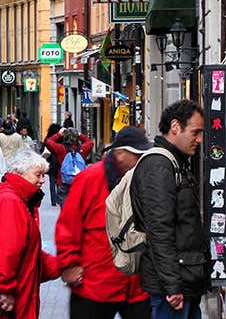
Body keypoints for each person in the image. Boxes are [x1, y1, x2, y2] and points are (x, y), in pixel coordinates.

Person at [55, 126, 153, 319]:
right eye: (137, 154)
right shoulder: (89, 179)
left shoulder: (146, 178)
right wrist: (68, 264)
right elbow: (68, 225)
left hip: (137, 284)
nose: (141, 159)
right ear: (120, 153)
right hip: (96, 282)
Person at [0, 149, 60, 319]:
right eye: (38, 174)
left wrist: (61, 265)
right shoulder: (10, 202)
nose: (42, 180)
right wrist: (5, 289)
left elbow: (27, 252)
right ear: (19, 173)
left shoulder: (18, 200)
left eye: (43, 175)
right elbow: (2, 252)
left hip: (5, 295)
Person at [133, 100, 207, 319]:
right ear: (175, 126)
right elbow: (159, 230)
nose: (200, 139)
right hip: (174, 289)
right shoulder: (159, 166)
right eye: (195, 132)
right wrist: (172, 286)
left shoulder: (176, 162)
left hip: (186, 281)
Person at [44, 128, 95, 206]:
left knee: (65, 208)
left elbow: (48, 142)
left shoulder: (60, 148)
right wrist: (80, 134)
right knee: (78, 207)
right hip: (79, 182)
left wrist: (59, 134)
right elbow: (90, 142)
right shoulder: (82, 149)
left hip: (63, 181)